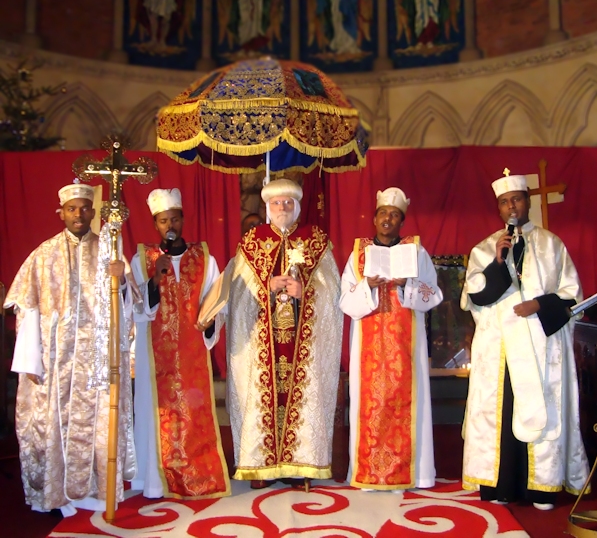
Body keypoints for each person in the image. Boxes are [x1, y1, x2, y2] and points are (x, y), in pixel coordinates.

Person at [460, 170, 590, 510]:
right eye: (504, 202)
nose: (511, 206)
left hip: (539, 344)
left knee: (540, 407)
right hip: (499, 348)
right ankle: (499, 486)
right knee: (499, 412)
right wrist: (499, 263)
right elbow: (474, 296)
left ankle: (541, 488)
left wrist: (539, 304)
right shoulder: (485, 248)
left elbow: (571, 294)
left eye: (516, 199)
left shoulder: (551, 244)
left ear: (527, 201)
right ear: (498, 209)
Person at [5, 183, 135, 516]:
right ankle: (57, 495)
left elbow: (131, 307)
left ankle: (96, 490)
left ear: (93, 212)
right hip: (56, 361)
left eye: (84, 209)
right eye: (72, 209)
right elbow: (27, 308)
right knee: (54, 424)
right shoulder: (43, 254)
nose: (79, 214)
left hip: (98, 362)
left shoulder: (110, 251)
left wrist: (121, 281)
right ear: (61, 213)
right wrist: (29, 360)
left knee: (99, 423)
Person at [216, 178, 343, 490]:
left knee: (303, 398)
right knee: (259, 395)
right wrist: (265, 288)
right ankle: (260, 466)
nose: (282, 208)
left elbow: (333, 290)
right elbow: (236, 292)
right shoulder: (252, 242)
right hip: (262, 338)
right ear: (267, 207)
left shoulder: (315, 240)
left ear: (297, 205)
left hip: (303, 338)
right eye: (277, 203)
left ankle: (300, 466)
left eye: (288, 203)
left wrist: (307, 291)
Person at [339, 187, 442, 492]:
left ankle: (413, 473)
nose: (388, 219)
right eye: (383, 213)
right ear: (374, 218)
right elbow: (344, 300)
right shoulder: (359, 253)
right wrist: (367, 285)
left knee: (407, 402)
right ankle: (369, 472)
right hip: (368, 347)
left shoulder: (417, 251)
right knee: (368, 404)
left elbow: (433, 293)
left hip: (405, 345)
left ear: (401, 221)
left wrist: (406, 284)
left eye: (394, 215)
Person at [130, 188, 230, 499]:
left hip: (192, 350)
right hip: (154, 353)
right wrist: (154, 281)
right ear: (155, 224)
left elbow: (216, 300)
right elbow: (136, 305)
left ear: (183, 219)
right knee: (156, 413)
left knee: (194, 409)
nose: (169, 225)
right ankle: (156, 479)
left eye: (174, 219)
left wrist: (210, 319)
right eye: (163, 221)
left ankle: (197, 472)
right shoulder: (142, 258)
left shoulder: (204, 257)